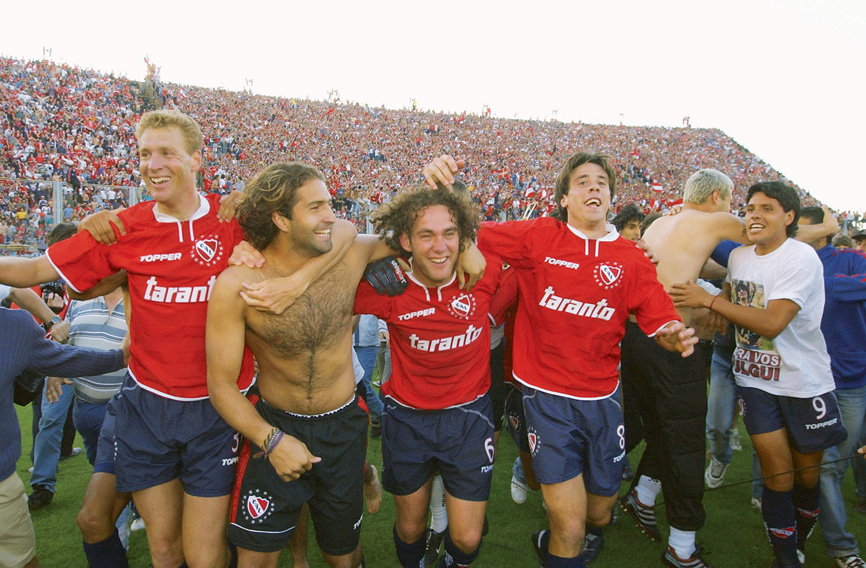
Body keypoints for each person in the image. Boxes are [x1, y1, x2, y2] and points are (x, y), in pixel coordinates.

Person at [0, 110, 354, 568]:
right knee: (165, 553)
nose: (153, 164)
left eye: (166, 152)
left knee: (204, 556)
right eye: (144, 154)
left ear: (197, 159)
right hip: (148, 406)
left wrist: (294, 281)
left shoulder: (235, 219)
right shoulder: (122, 227)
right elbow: (32, 271)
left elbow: (338, 229)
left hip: (220, 410)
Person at [423, 152, 699, 568]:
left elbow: (658, 317)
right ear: (565, 197)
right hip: (547, 400)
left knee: (598, 515)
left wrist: (671, 333)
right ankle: (559, 545)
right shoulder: (539, 235)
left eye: (601, 182)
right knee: (570, 529)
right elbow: (465, 229)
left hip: (604, 400)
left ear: (610, 196)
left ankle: (547, 542)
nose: (594, 187)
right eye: (583, 181)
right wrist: (436, 186)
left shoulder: (631, 258)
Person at [206, 162, 402, 568]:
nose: (330, 215)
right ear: (280, 219)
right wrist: (270, 440)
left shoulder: (350, 253)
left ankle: (364, 473)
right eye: (316, 207)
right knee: (254, 560)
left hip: (344, 426)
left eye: (330, 204)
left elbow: (417, 238)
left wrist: (468, 251)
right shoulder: (237, 285)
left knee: (342, 557)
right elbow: (222, 386)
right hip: (276, 424)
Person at [671, 182, 847, 568]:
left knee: (806, 476)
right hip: (755, 381)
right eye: (750, 208)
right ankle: (786, 558)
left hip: (804, 382)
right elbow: (735, 295)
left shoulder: (800, 258)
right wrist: (722, 306)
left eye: (767, 209)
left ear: (788, 217)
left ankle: (798, 537)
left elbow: (772, 322)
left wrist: (710, 300)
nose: (754, 215)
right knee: (778, 475)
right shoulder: (739, 257)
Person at [353, 182, 501, 568]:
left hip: (469, 417)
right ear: (405, 240)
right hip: (407, 418)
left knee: (467, 536)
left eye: (449, 234)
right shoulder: (387, 286)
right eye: (426, 235)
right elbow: (330, 271)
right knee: (410, 528)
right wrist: (368, 262)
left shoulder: (486, 273)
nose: (440, 246)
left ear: (463, 237)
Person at [0, 302, 129, 568]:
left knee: (22, 559)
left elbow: (62, 357)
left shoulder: (12, 325)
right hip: (4, 481)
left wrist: (119, 357)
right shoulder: (18, 323)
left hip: (2, 484)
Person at [799, 206, 866, 568]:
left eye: (805, 232)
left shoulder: (850, 259)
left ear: (822, 233)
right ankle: (842, 546)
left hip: (853, 379)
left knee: (835, 467)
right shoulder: (790, 261)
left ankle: (813, 515)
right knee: (822, 467)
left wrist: (824, 286)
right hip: (811, 380)